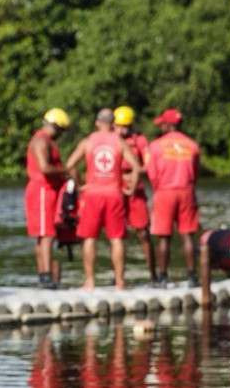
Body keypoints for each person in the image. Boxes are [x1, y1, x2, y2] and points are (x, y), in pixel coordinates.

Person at [66, 109, 142, 290]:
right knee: (116, 238)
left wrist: (79, 184)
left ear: (97, 122)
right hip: (114, 193)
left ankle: (90, 281)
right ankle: (120, 282)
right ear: (113, 123)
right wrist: (131, 189)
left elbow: (69, 165)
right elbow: (137, 167)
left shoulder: (88, 142)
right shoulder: (119, 142)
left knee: (89, 237)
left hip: (92, 193)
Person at [147, 108, 201, 286]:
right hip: (186, 191)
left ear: (169, 125)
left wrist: (159, 188)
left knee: (164, 237)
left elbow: (151, 174)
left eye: (162, 123)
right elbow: (196, 172)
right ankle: (192, 276)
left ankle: (162, 277)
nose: (161, 126)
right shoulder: (192, 145)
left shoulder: (155, 146)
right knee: (187, 235)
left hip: (164, 192)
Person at [25, 109, 71, 289]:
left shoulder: (48, 141)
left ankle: (45, 274)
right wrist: (66, 171)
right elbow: (44, 168)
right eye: (60, 130)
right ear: (54, 126)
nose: (60, 135)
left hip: (48, 190)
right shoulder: (41, 140)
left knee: (44, 235)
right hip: (42, 190)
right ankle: (45, 276)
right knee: (47, 234)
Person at [114, 106, 157, 284]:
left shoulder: (139, 141)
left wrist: (133, 173)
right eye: (118, 126)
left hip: (135, 190)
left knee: (143, 233)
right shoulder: (111, 140)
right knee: (116, 234)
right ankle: (118, 275)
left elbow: (147, 165)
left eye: (125, 126)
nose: (122, 130)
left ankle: (154, 274)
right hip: (115, 190)